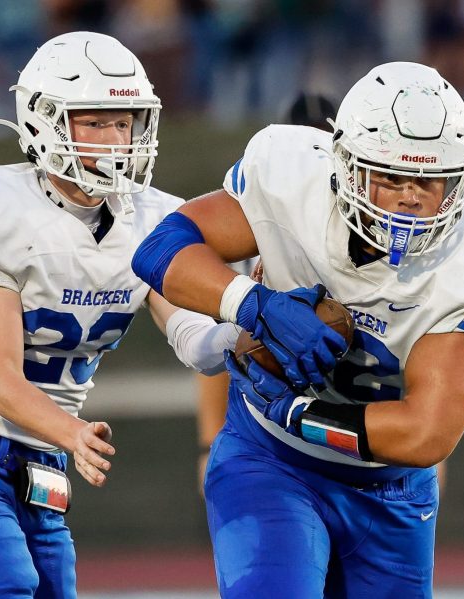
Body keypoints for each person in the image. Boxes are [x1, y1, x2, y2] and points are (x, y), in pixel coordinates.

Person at [133, 62, 464, 597]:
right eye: (392, 176)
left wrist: (297, 412)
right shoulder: (292, 183)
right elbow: (162, 249)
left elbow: (424, 433)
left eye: (427, 179)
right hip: (271, 460)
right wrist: (253, 304)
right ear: (347, 166)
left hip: (388, 488)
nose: (409, 197)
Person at [0, 32, 237, 599]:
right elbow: (3, 382)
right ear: (44, 120)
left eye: (122, 122)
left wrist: (246, 330)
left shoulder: (153, 219)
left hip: (45, 464)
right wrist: (74, 432)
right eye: (94, 122)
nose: (113, 140)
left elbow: (194, 342)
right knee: (3, 587)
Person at [195, 92, 335, 490]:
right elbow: (221, 344)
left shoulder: (374, 226)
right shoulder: (252, 224)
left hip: (349, 407)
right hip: (267, 417)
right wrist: (209, 440)